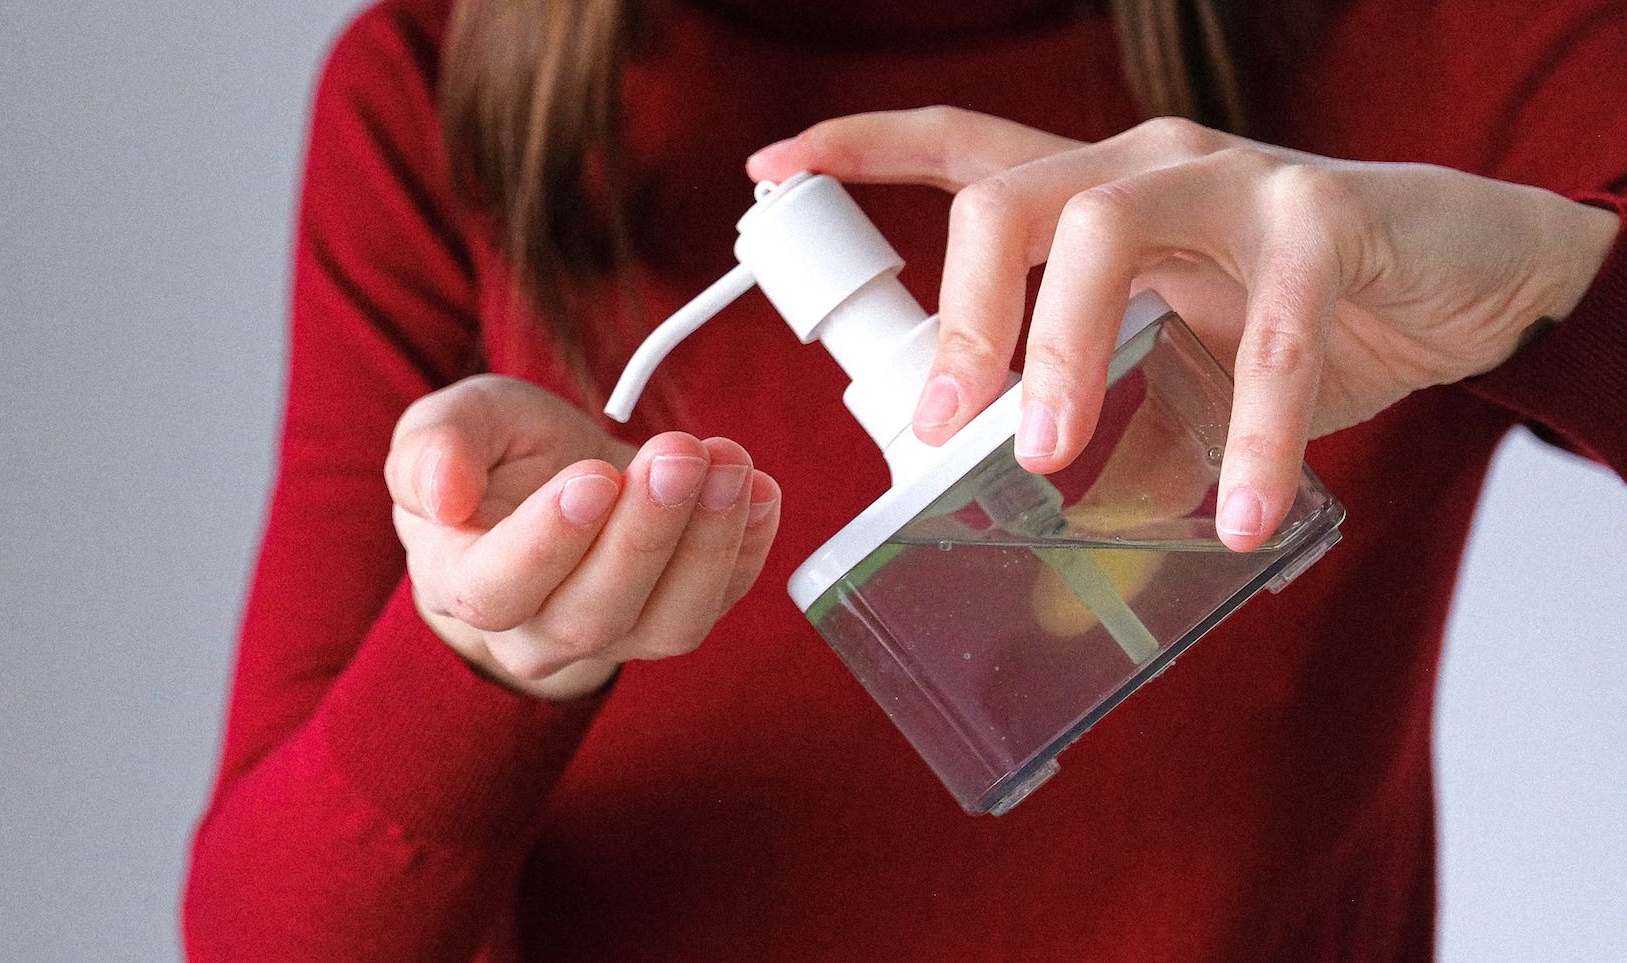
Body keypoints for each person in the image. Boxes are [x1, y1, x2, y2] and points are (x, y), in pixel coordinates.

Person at [184, 0, 1627, 958]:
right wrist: (485, 657)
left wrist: (1552, 281)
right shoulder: (446, 87)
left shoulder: (1451, 34)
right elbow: (259, 936)